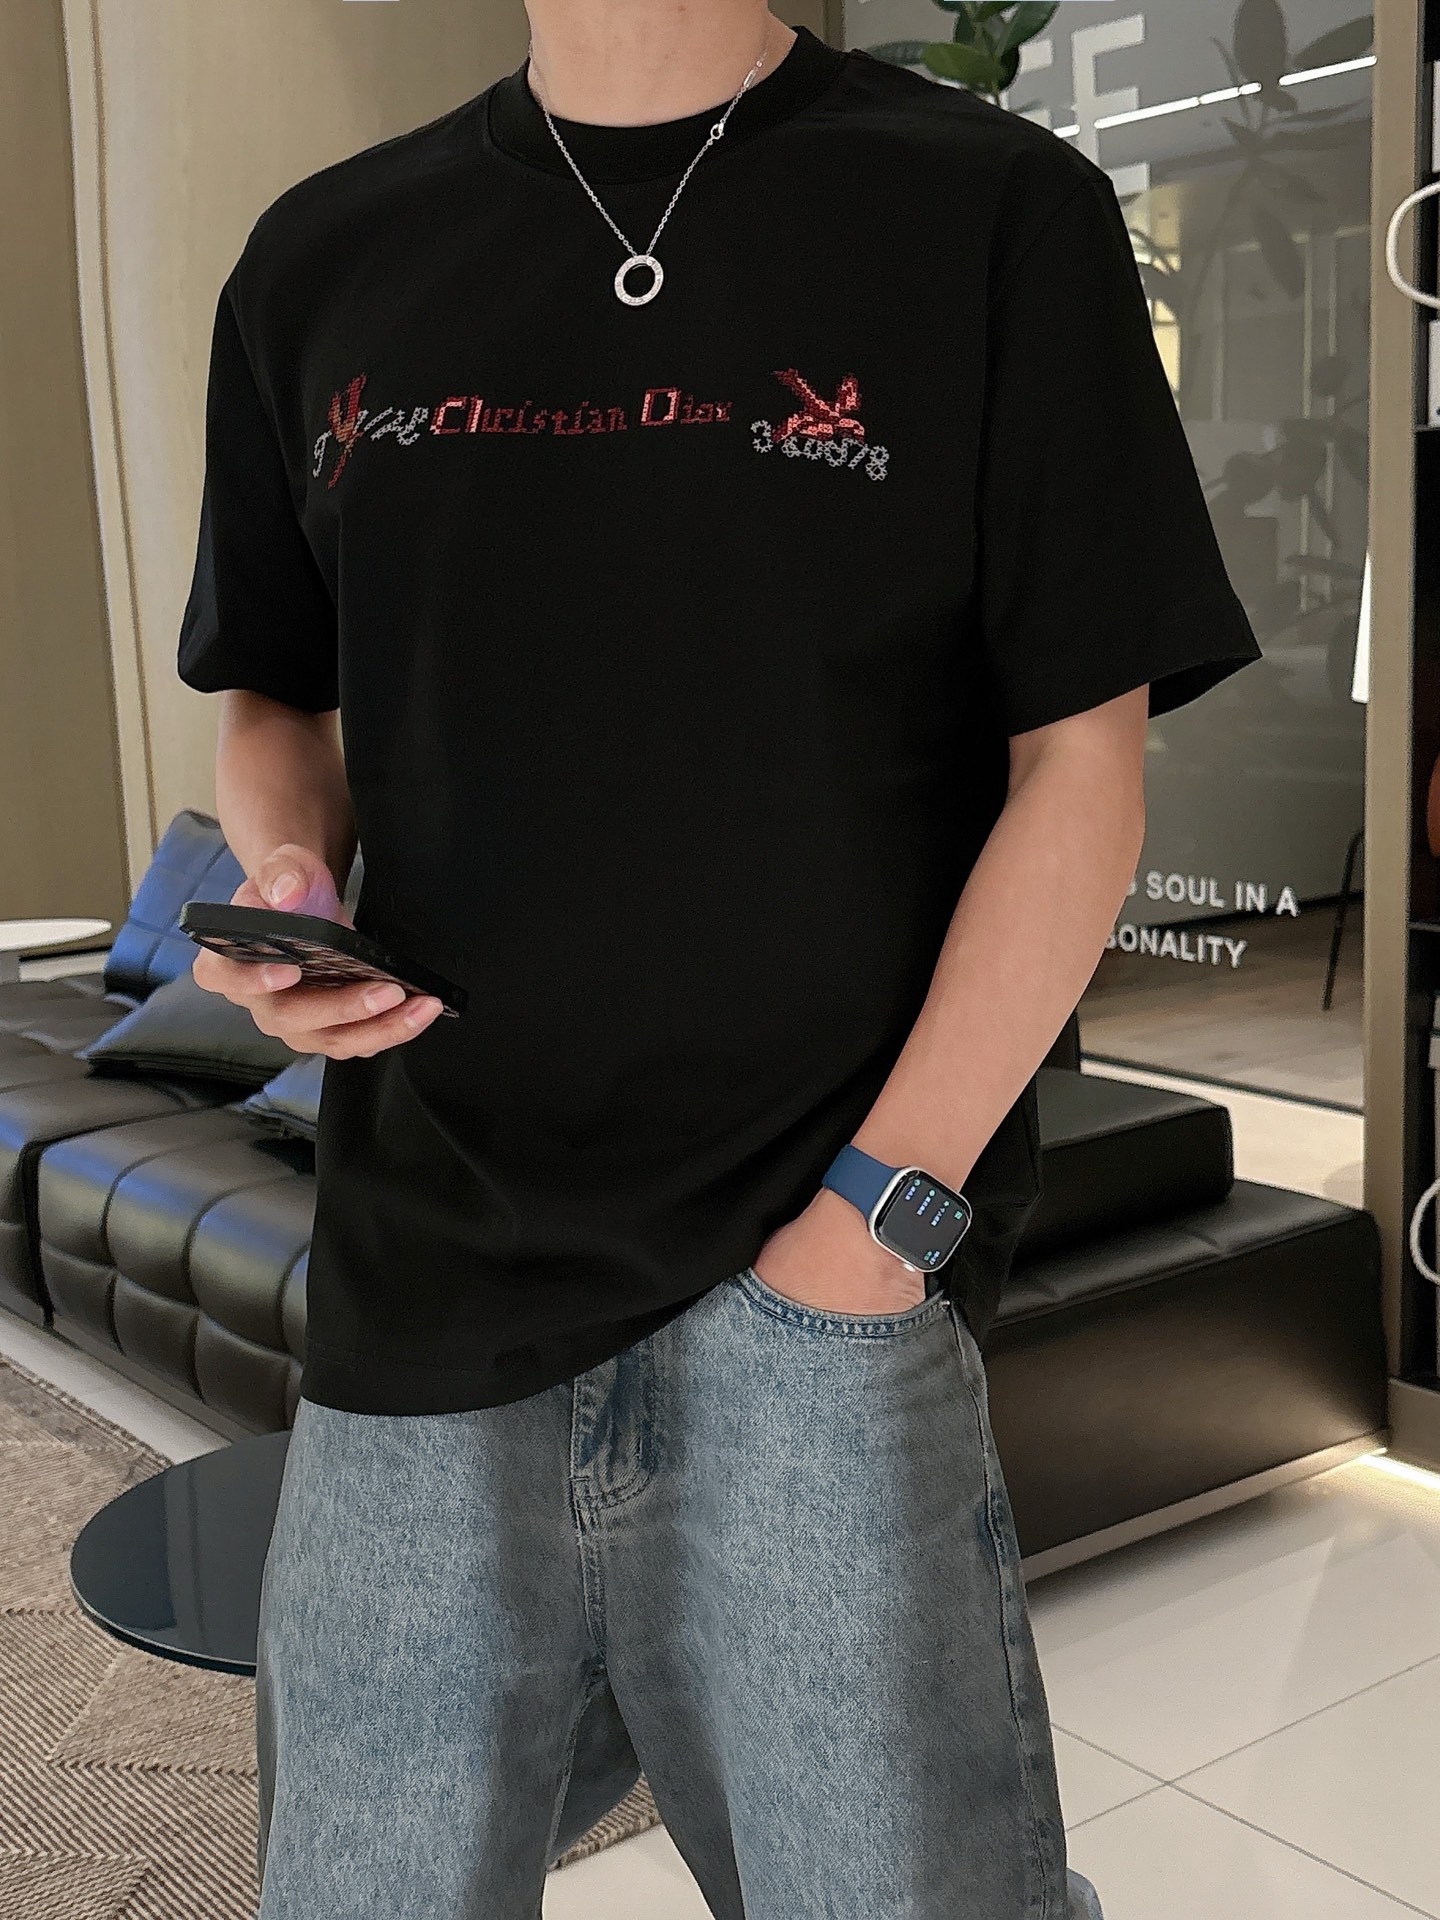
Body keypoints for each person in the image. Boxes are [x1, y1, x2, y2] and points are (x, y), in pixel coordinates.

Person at [180, 6, 1263, 1915]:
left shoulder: (995, 210)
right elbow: (276, 689)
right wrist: (288, 877)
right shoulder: (322, 253)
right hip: (421, 1269)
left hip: (816, 1280)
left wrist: (871, 1232)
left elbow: (1081, 774)